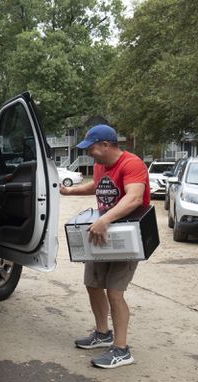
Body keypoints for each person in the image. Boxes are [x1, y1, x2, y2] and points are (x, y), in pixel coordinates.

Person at [60, 124, 150, 368]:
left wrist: (105, 219)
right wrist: (70, 191)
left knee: (115, 292)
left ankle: (121, 349)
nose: (89, 152)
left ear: (106, 145)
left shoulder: (132, 164)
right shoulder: (100, 166)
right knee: (93, 284)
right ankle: (102, 333)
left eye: (91, 148)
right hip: (102, 235)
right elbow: (97, 186)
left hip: (126, 236)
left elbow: (133, 197)